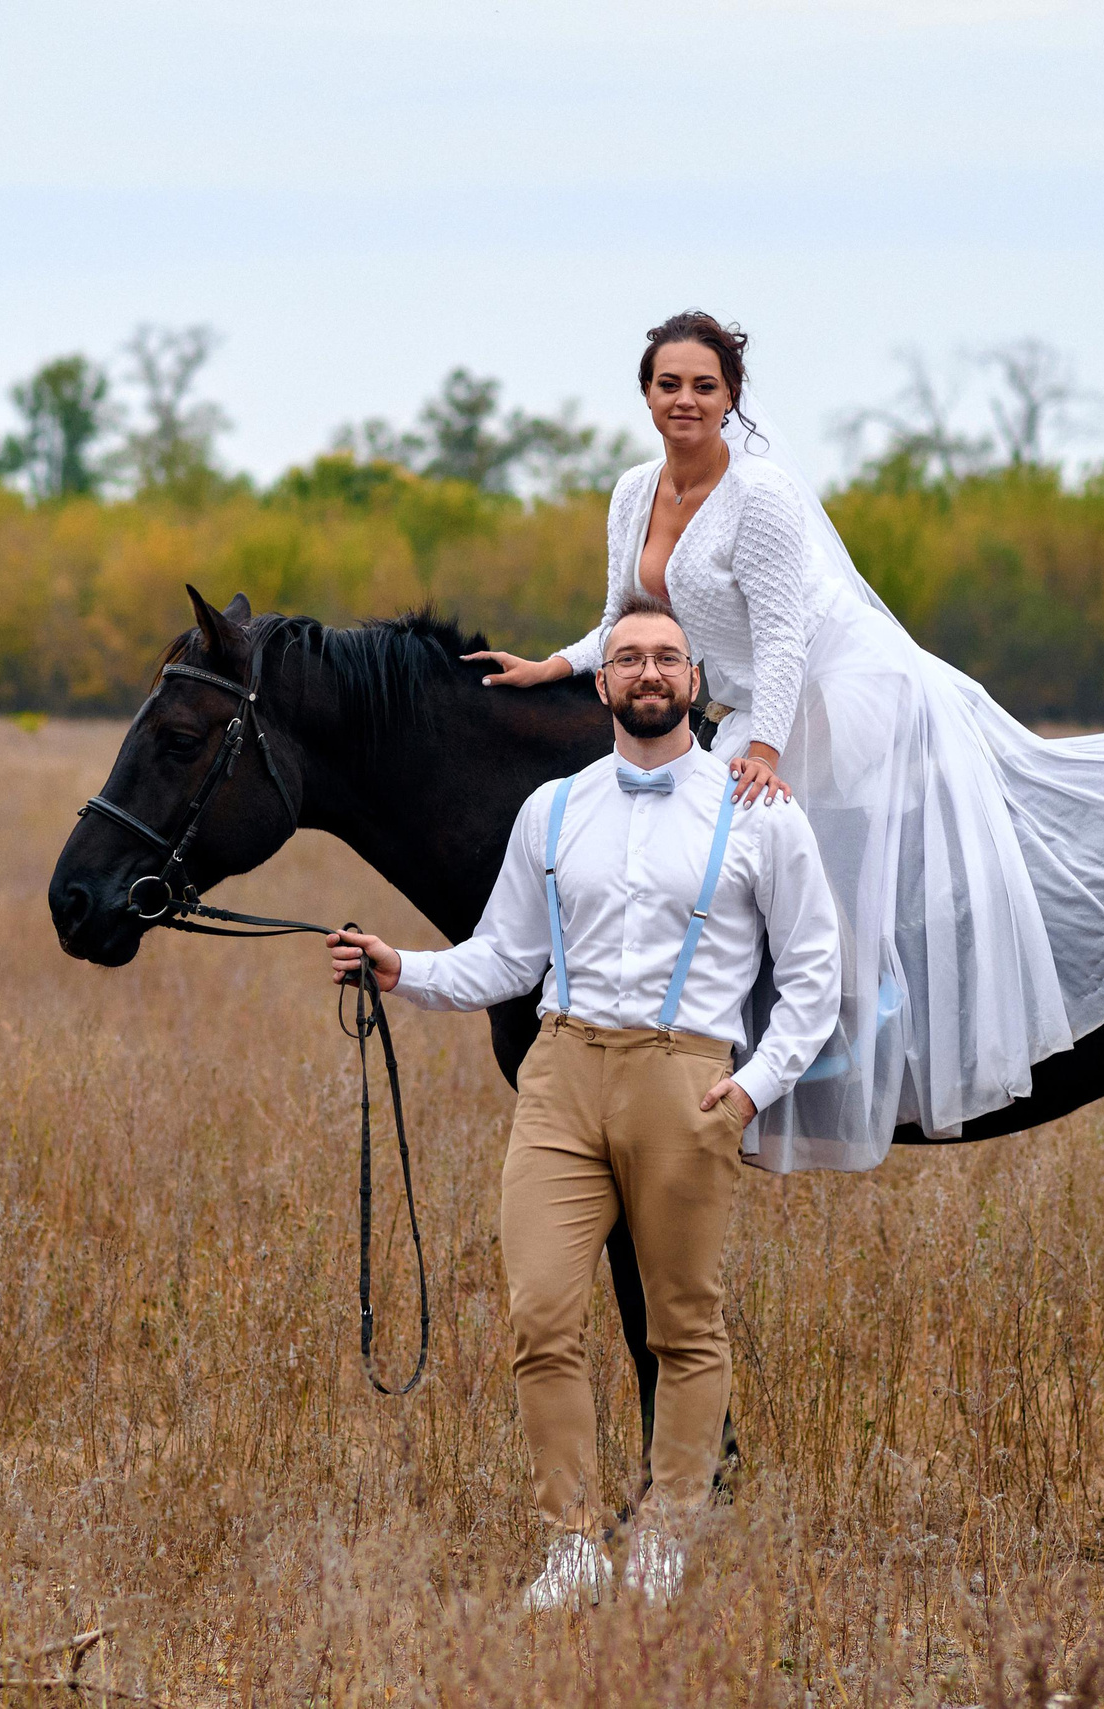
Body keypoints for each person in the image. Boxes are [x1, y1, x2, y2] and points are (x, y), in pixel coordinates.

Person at [463, 310, 1104, 1172]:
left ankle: (834, 1034)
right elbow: (628, 618)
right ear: (646, 394)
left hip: (839, 687)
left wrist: (765, 750)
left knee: (754, 833)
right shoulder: (632, 490)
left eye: (704, 386)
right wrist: (554, 665)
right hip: (755, 692)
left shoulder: (759, 494)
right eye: (668, 384)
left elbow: (786, 636)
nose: (685, 400)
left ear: (731, 398)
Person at [327, 592, 840, 1611]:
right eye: (629, 659)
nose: (649, 673)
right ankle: (570, 1543)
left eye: (668, 659)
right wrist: (403, 969)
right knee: (542, 1314)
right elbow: (507, 956)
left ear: (694, 684)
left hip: (684, 1078)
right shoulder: (551, 809)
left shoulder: (760, 811)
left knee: (682, 1326)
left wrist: (748, 1089)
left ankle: (664, 1531)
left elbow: (816, 973)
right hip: (559, 1078)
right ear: (600, 683)